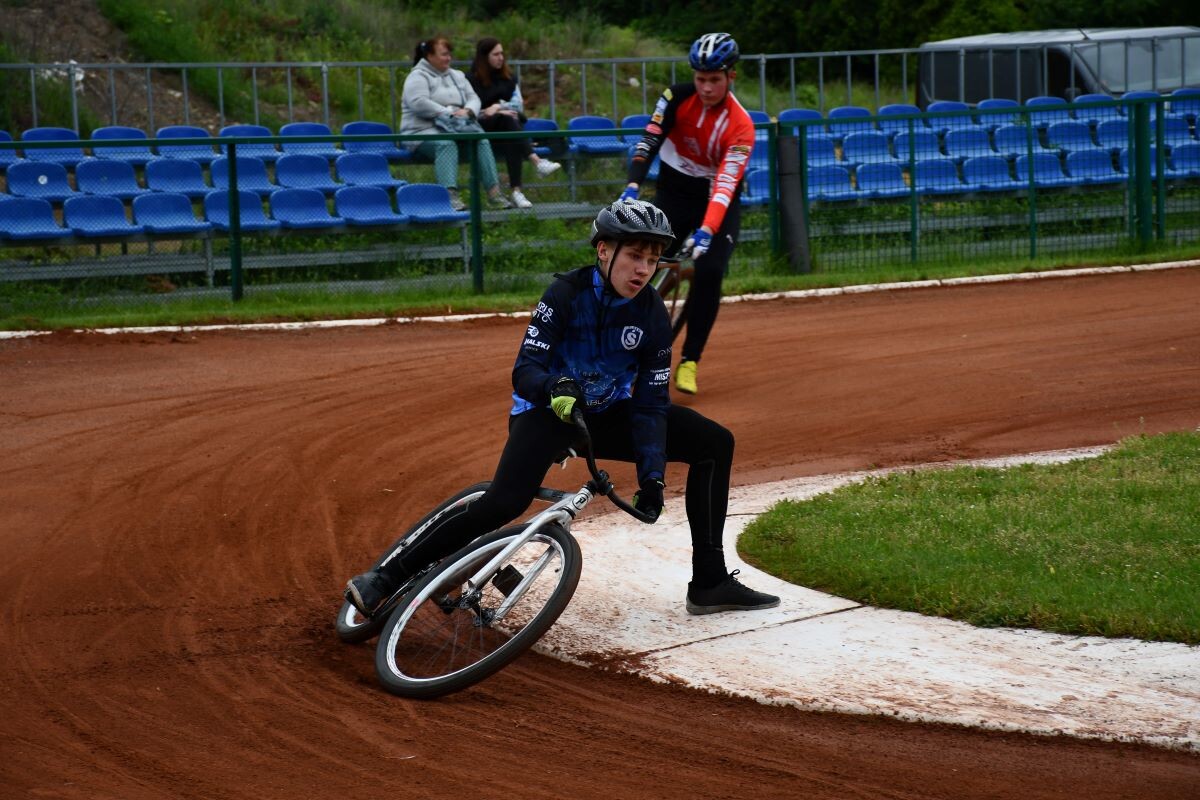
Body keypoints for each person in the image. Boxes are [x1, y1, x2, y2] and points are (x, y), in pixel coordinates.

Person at [345, 199, 779, 618]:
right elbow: (526, 370)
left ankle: (710, 581)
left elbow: (650, 406)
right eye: (634, 255)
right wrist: (555, 385)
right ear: (604, 250)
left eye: (652, 258)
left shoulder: (652, 317)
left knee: (714, 442)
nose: (644, 269)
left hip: (605, 415)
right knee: (503, 503)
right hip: (545, 412)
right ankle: (383, 579)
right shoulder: (565, 293)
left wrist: (652, 477)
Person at [621, 32, 754, 396]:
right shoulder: (675, 97)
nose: (707, 87)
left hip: (715, 199)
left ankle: (690, 360)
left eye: (714, 79)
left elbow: (726, 185)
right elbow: (650, 139)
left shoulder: (741, 126)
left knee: (710, 270)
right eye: (701, 79)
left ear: (731, 77)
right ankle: (619, 339)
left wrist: (709, 229)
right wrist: (633, 184)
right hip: (675, 191)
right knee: (641, 258)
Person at [400, 36, 513, 210]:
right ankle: (449, 196)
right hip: (421, 132)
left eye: (449, 54)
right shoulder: (417, 76)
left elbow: (473, 98)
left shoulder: (457, 75)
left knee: (480, 139)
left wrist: (468, 111)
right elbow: (418, 102)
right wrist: (448, 112)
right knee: (446, 143)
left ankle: (494, 193)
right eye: (444, 54)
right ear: (429, 56)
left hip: (455, 128)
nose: (449, 58)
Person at [468, 37, 561, 209]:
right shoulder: (471, 79)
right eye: (496, 54)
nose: (501, 58)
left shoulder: (509, 78)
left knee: (511, 132)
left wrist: (498, 106)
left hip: (506, 127)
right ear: (484, 57)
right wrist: (494, 111)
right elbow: (471, 109)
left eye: (502, 53)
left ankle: (517, 192)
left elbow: (518, 104)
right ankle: (537, 162)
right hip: (481, 127)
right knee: (508, 121)